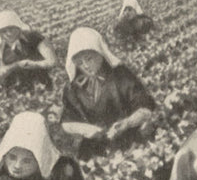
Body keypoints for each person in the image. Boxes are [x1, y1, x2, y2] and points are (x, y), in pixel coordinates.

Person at [60, 27, 158, 160]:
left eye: (89, 59)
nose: (86, 66)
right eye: (79, 63)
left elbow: (145, 107)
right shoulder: (74, 88)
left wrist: (127, 123)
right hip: (96, 147)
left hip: (129, 140)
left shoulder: (120, 75)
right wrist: (86, 129)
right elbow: (67, 121)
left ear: (100, 53)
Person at [0, 9, 58, 91]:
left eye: (11, 29)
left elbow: (52, 61)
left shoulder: (35, 38)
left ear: (18, 27)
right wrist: (14, 66)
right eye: (4, 31)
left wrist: (35, 64)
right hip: (16, 91)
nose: (8, 34)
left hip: (41, 85)